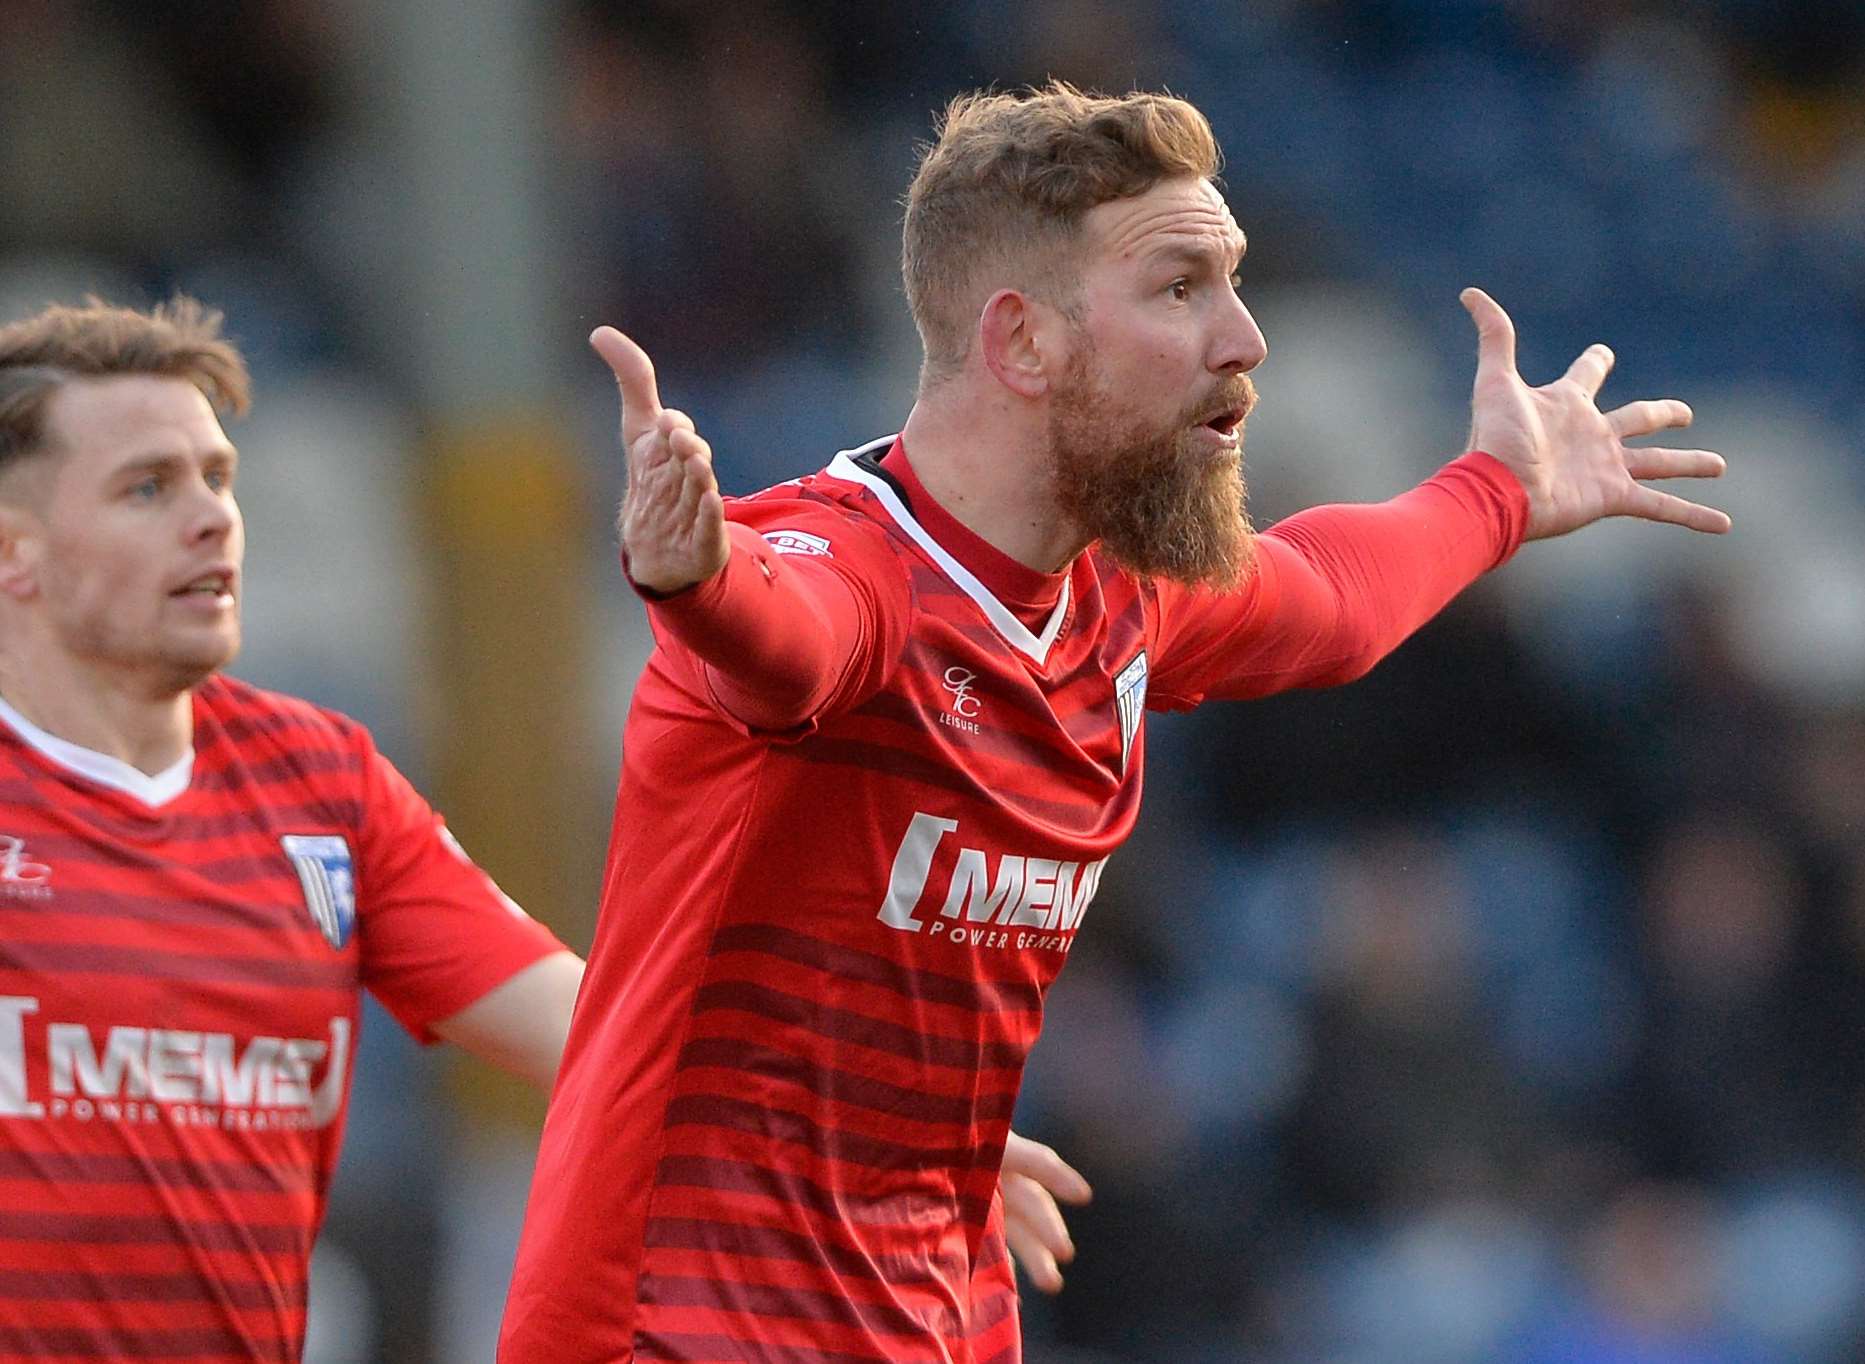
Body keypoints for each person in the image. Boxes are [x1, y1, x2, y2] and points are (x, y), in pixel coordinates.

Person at [497, 81, 1728, 1361]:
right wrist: (691, 579)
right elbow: (786, 642)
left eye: (1235, 281)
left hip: (930, 1307)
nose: (1245, 337)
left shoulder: (1119, 599)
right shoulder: (845, 565)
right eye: (1181, 287)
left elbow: (1334, 596)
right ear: (1022, 343)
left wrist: (1499, 490)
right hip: (666, 1328)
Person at [0, 297, 1090, 1364]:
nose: (211, 516)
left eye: (219, 477)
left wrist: (886, 1131)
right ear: (17, 553)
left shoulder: (316, 780)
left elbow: (605, 1034)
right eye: (148, 487)